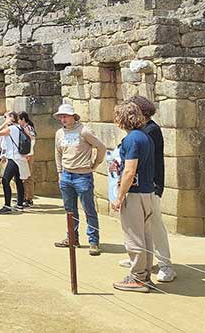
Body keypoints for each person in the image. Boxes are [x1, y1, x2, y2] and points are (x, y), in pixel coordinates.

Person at [121, 96, 175, 282]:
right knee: (141, 226)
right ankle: (142, 260)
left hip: (150, 185)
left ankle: (166, 265)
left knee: (155, 225)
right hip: (142, 186)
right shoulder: (141, 130)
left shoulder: (150, 130)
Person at [111, 102, 155, 293]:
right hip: (147, 192)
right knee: (145, 236)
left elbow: (129, 171)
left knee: (134, 236)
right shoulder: (145, 137)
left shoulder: (132, 140)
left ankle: (137, 277)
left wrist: (120, 197)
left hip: (135, 194)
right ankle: (144, 275)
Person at [53, 102, 107, 256]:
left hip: (82, 175)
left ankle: (93, 241)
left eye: (65, 116)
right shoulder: (59, 133)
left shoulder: (84, 131)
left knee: (89, 209)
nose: (62, 119)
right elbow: (58, 153)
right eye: (60, 116)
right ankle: (72, 238)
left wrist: (95, 164)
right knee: (69, 210)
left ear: (73, 116)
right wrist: (59, 172)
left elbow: (101, 147)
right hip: (66, 175)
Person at [0, 111, 31, 213]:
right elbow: (30, 138)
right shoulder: (21, 128)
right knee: (18, 181)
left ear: (11, 118)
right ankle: (19, 204)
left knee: (5, 180)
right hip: (21, 158)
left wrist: (5, 123)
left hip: (14, 158)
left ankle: (7, 206)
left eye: (6, 117)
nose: (4, 119)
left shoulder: (10, 129)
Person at [18, 112, 37, 207]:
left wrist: (30, 152)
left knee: (28, 177)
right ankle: (25, 196)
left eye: (19, 119)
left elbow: (33, 139)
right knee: (24, 177)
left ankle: (29, 198)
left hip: (28, 155)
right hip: (24, 154)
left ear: (23, 119)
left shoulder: (28, 128)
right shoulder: (22, 128)